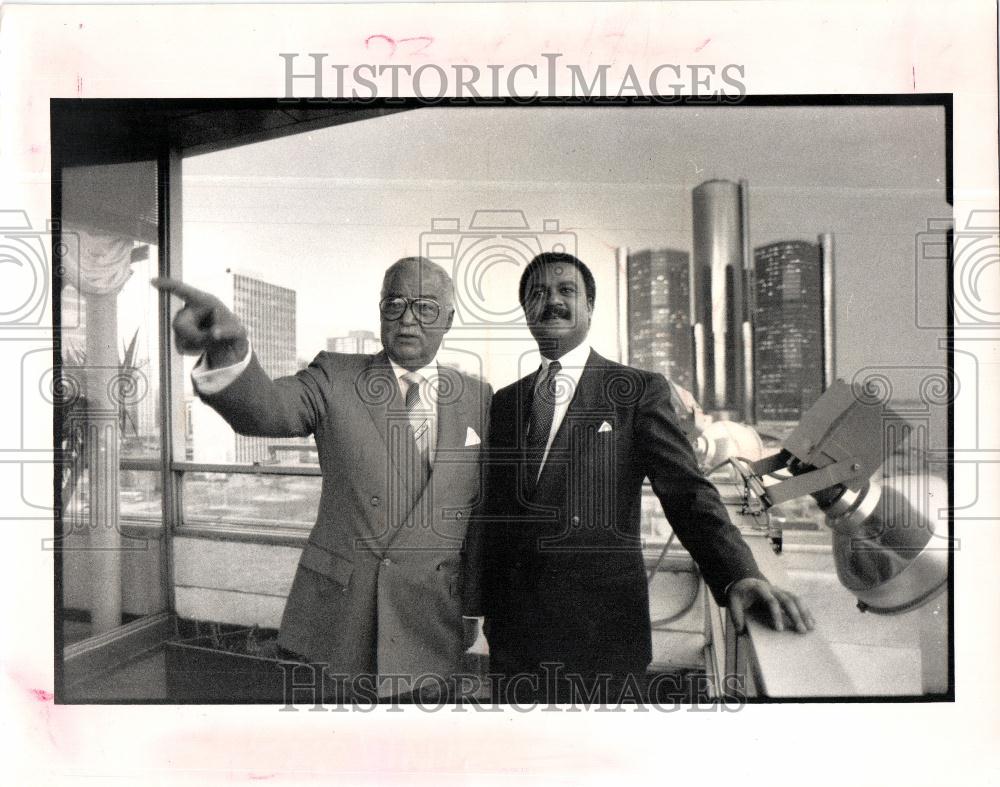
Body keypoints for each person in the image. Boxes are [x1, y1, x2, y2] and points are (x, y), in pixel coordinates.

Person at [471, 252, 814, 703]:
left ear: (590, 307)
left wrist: (737, 575)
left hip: (600, 643)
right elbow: (495, 517)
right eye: (537, 293)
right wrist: (483, 611)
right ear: (526, 312)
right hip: (515, 644)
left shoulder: (637, 390)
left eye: (565, 291)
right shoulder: (506, 403)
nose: (550, 301)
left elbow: (687, 491)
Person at [153, 258, 491, 701]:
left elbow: (479, 515)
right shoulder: (335, 376)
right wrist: (231, 348)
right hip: (342, 617)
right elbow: (268, 409)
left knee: (414, 754)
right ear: (380, 311)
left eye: (426, 307)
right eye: (396, 304)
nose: (408, 319)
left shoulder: (477, 396)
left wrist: (473, 606)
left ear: (449, 318)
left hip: (432, 617)